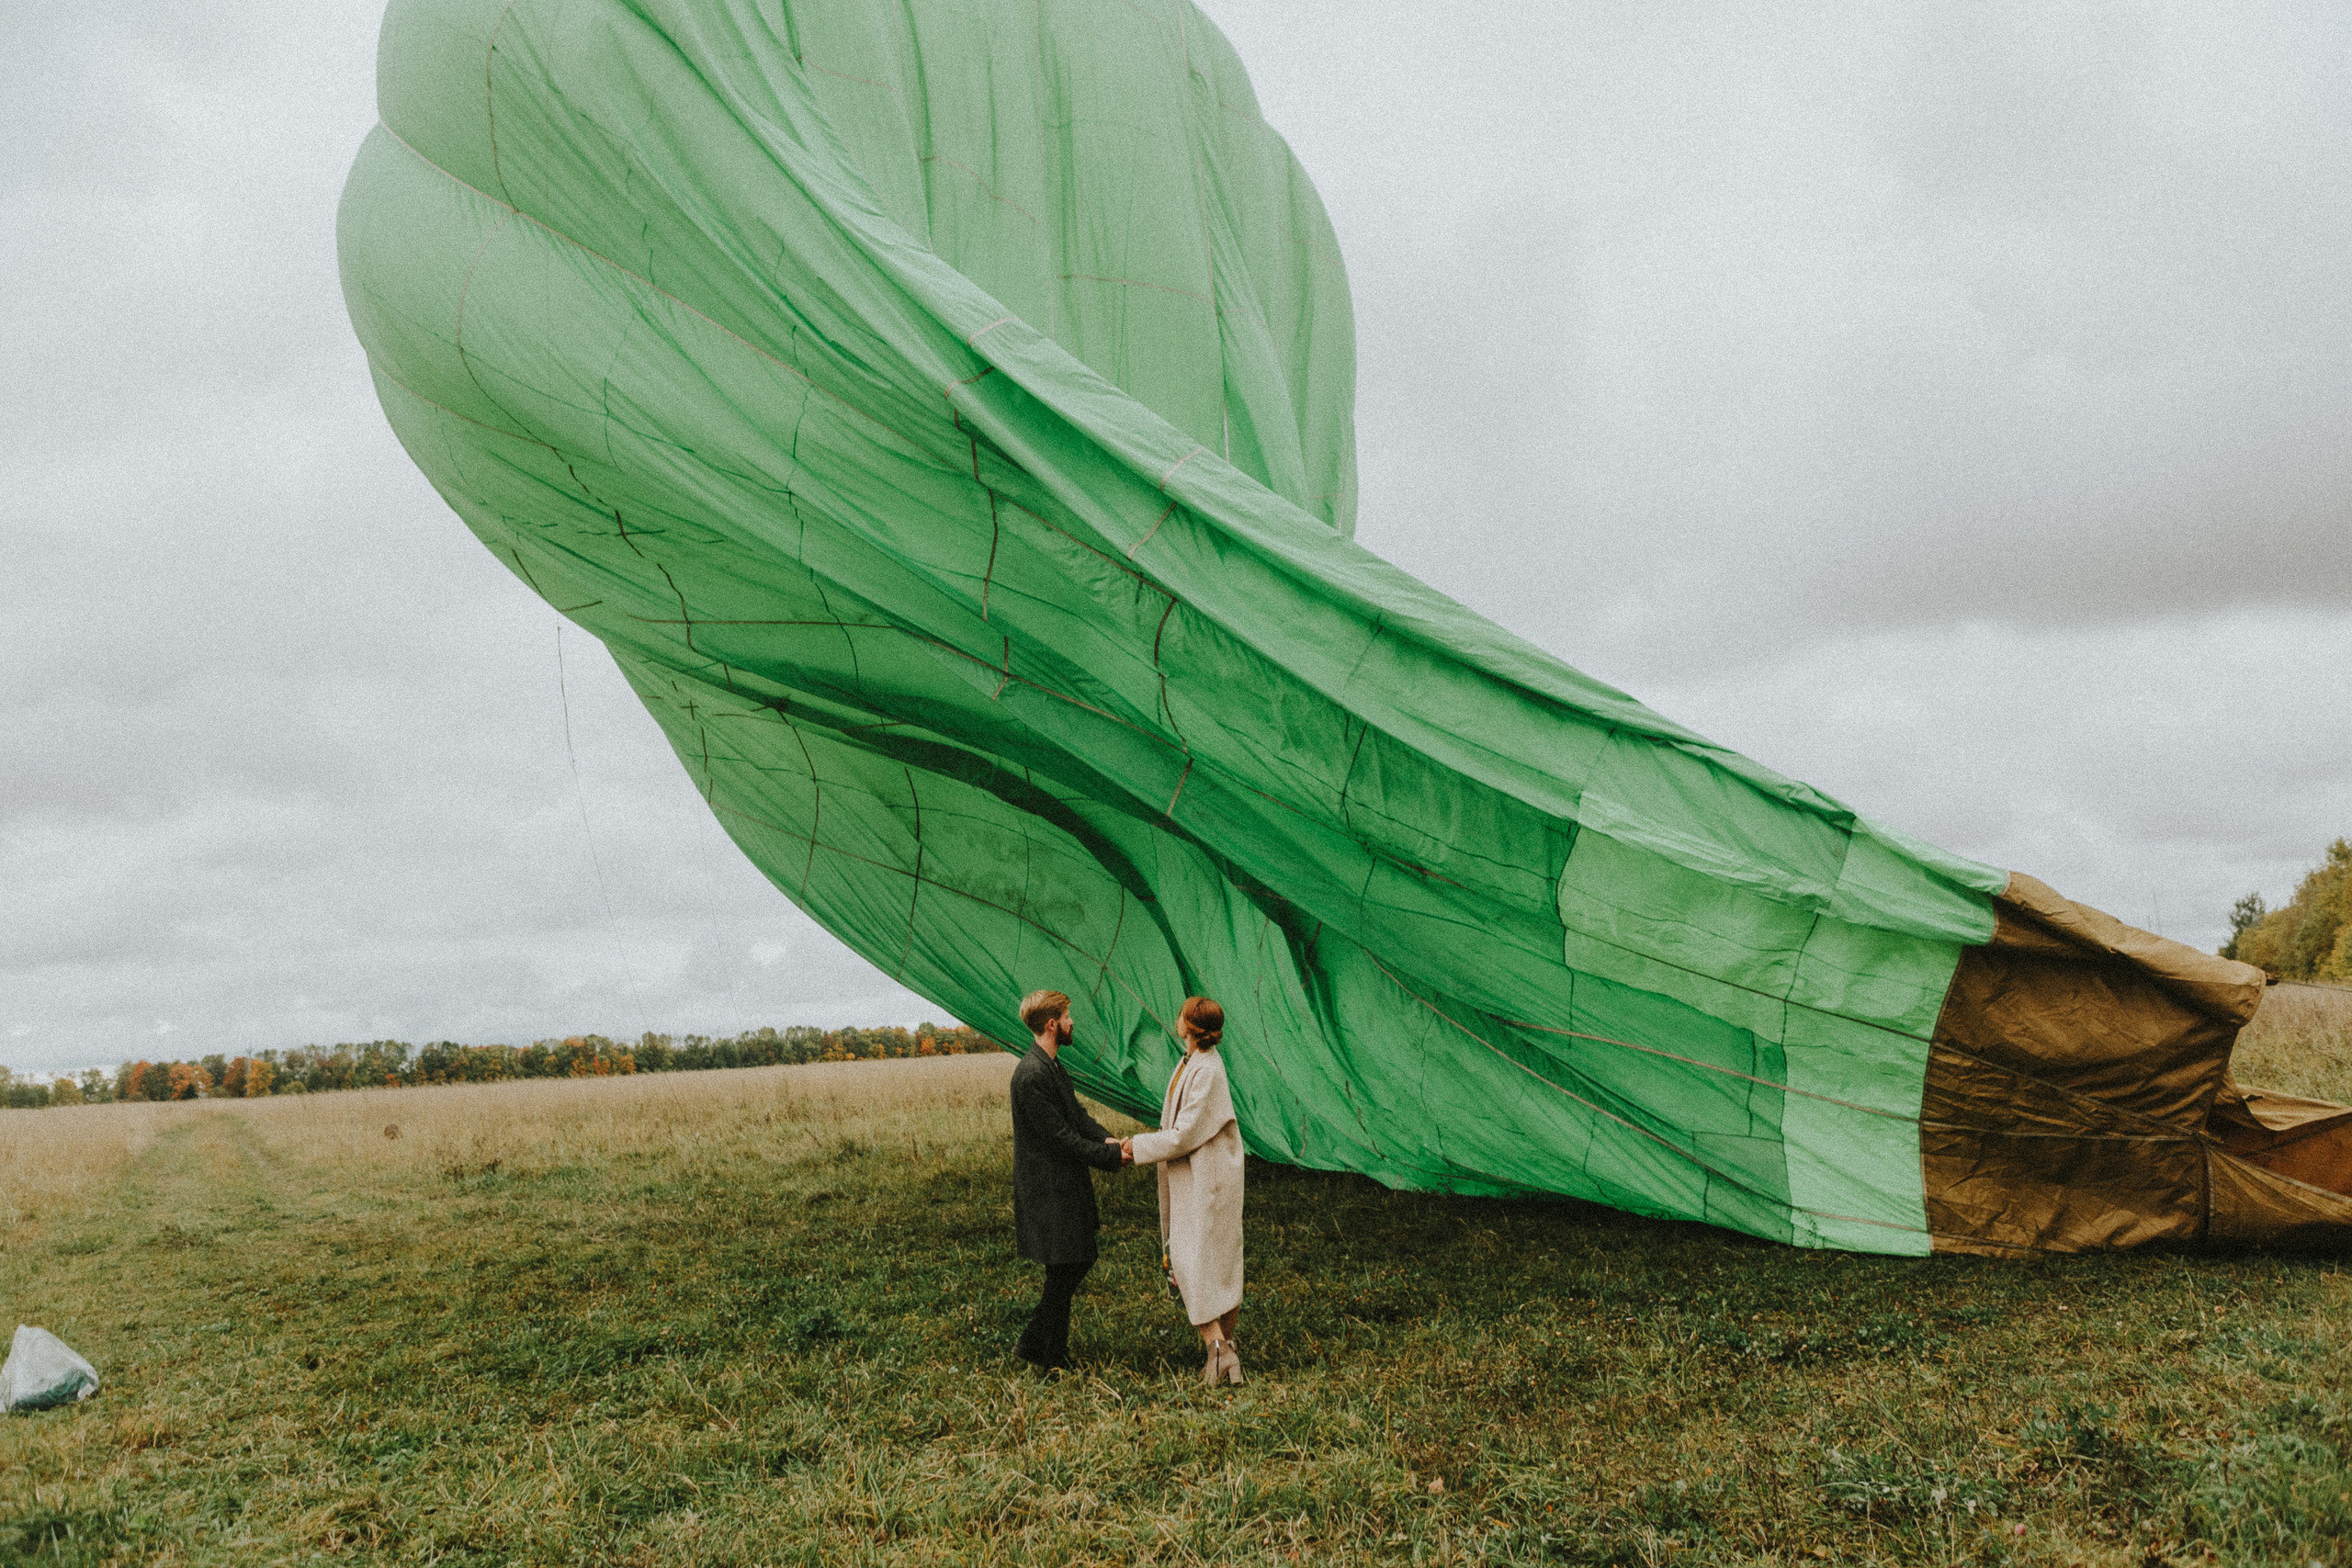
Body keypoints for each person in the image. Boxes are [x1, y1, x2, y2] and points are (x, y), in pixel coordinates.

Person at [1125, 996, 1246, 1384]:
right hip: (1197, 1176)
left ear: (1188, 1026)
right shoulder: (1190, 1061)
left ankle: (1219, 1349)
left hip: (1209, 1179)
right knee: (1204, 1260)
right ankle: (1224, 1354)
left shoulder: (1207, 1069)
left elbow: (1185, 1134)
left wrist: (1135, 1146)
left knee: (1199, 1261)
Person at [1008, 988, 1128, 1375]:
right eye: (1067, 1016)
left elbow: (1077, 1117)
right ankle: (1046, 1352)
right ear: (1051, 1024)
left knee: (1072, 1262)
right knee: (1065, 1267)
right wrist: (1111, 1157)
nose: (1073, 1022)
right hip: (1048, 1190)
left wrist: (1108, 1139)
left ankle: (1038, 1346)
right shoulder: (1031, 1075)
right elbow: (1060, 1137)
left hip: (1063, 1185)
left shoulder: (1052, 1066)